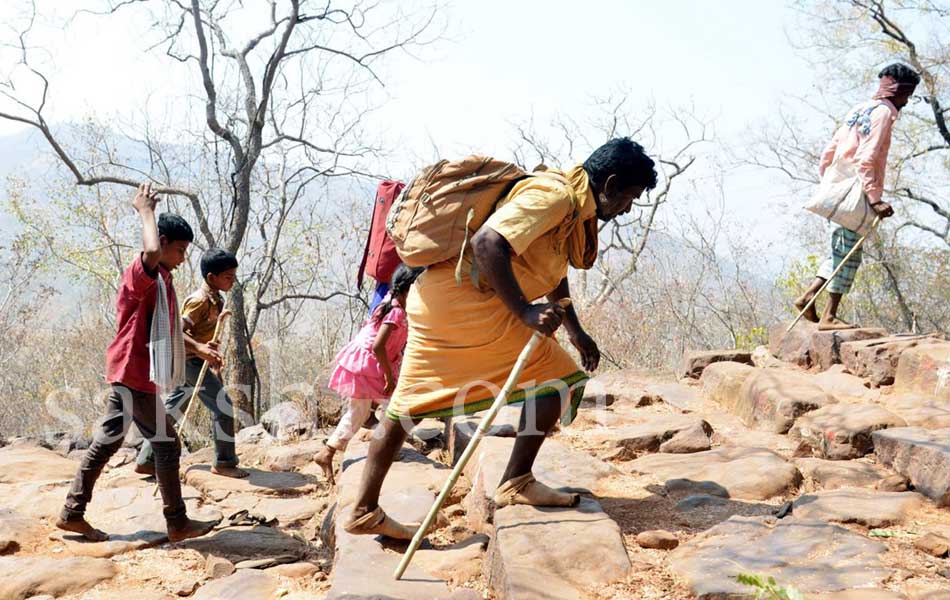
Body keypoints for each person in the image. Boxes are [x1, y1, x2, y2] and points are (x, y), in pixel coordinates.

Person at [343, 138, 658, 539]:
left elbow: (551, 267)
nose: (628, 208)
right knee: (410, 404)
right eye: (629, 197)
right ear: (611, 184)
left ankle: (516, 481)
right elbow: (487, 242)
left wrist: (575, 331)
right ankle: (365, 509)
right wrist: (525, 312)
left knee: (556, 378)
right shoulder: (556, 196)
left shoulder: (574, 206)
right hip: (456, 306)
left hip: (473, 305)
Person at [56, 183, 219, 543]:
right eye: (178, 249)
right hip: (132, 371)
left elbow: (168, 329)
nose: (181, 257)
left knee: (109, 442)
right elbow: (149, 248)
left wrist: (199, 349)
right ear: (161, 242)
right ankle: (177, 523)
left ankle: (72, 512)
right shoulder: (141, 273)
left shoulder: (162, 279)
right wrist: (144, 210)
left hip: (132, 371)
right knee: (165, 444)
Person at [794, 63, 920, 330]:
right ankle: (829, 315)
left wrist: (829, 183)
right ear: (898, 91)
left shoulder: (859, 109)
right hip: (856, 191)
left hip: (837, 187)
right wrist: (875, 198)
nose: (907, 103)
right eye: (907, 96)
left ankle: (808, 296)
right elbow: (867, 158)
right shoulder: (884, 113)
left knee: (840, 247)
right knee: (849, 254)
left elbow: (829, 151)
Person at [135, 248, 248, 479]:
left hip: (195, 361)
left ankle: (146, 460)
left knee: (173, 409)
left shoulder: (217, 298)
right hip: (190, 362)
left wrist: (212, 356)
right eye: (228, 276)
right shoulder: (199, 301)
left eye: (234, 276)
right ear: (211, 277)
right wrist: (199, 349)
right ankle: (224, 463)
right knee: (224, 407)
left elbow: (205, 335)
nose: (233, 280)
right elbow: (176, 331)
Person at [314, 264, 424, 484]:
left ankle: (327, 452)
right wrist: (388, 376)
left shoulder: (389, 304)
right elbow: (378, 346)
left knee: (359, 412)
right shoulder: (396, 312)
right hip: (370, 365)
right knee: (395, 407)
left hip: (364, 363)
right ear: (409, 290)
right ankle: (385, 447)